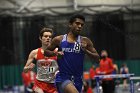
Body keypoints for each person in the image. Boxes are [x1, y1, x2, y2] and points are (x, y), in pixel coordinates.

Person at [44, 14, 100, 93]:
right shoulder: (59, 39)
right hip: (63, 78)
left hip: (78, 80)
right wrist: (55, 54)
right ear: (70, 24)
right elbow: (46, 52)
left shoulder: (85, 41)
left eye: (82, 25)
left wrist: (86, 51)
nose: (80, 26)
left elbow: (97, 59)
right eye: (77, 23)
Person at [23, 27, 58, 93]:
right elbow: (25, 70)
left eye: (50, 37)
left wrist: (57, 72)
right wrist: (28, 68)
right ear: (40, 38)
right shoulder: (34, 53)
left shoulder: (56, 52)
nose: (48, 38)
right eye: (45, 36)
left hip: (53, 85)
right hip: (39, 84)